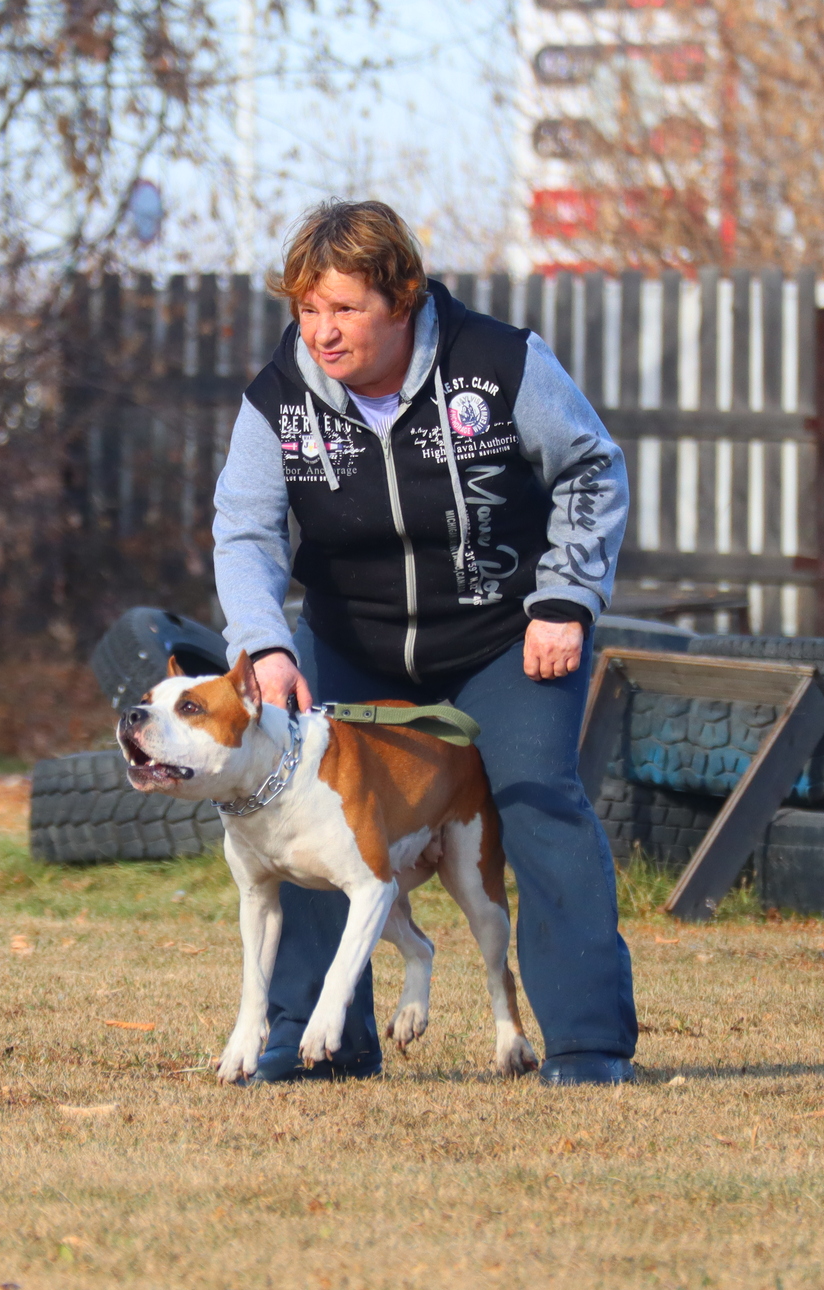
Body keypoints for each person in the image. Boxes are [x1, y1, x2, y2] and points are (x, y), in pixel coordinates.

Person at [211, 200, 637, 1086]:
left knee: (539, 800)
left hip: (505, 642)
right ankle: (315, 1038)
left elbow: (593, 468)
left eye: (345, 309)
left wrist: (566, 600)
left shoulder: (501, 363)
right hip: (349, 643)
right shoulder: (278, 398)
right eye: (307, 310)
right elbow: (244, 530)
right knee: (294, 807)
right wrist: (264, 643)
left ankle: (590, 1044)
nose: (321, 333)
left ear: (401, 299)